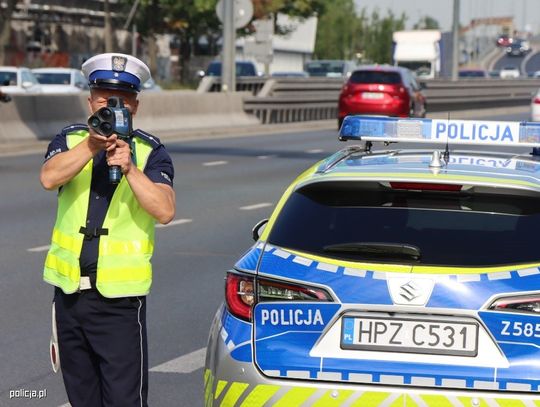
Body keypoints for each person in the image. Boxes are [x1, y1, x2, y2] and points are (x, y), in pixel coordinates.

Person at [40, 53, 175, 407]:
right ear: (90, 102)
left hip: (119, 303)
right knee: (81, 398)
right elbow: (48, 177)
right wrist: (90, 145)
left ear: (136, 106)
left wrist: (130, 169)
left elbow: (165, 210)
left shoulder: (150, 151)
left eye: (122, 102)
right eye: (104, 100)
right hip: (69, 295)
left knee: (123, 401)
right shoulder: (70, 140)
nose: (113, 108)